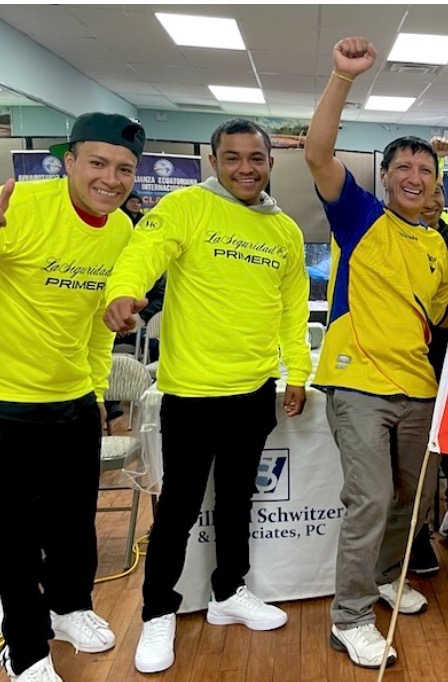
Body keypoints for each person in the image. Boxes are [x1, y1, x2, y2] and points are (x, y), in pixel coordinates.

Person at [104, 117, 310, 674]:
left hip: (254, 391)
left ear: (270, 163)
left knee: (238, 500)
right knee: (178, 509)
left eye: (256, 158)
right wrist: (125, 290)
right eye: (233, 157)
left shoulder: (285, 231)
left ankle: (228, 593)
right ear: (214, 162)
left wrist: (297, 372)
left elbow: (293, 310)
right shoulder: (186, 207)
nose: (246, 168)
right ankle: (157, 611)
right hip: (191, 394)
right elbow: (144, 251)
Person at [304, 36, 448, 669]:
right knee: (370, 499)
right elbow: (317, 154)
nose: (414, 177)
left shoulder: (440, 247)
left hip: (418, 388)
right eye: (404, 168)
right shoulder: (360, 216)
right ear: (387, 176)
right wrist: (343, 77)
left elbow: (445, 318)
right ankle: (350, 618)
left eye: (425, 170)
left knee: (410, 500)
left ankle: (388, 577)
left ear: (435, 182)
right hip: (359, 382)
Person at [0, 112, 145, 682]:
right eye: (98, 163)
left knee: (73, 525)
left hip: (75, 401)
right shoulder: (21, 206)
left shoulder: (122, 231)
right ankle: (25, 649)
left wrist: (95, 392)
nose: (111, 178)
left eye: (124, 169)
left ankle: (68, 608)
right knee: (12, 537)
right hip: (8, 404)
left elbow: (98, 324)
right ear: (69, 161)